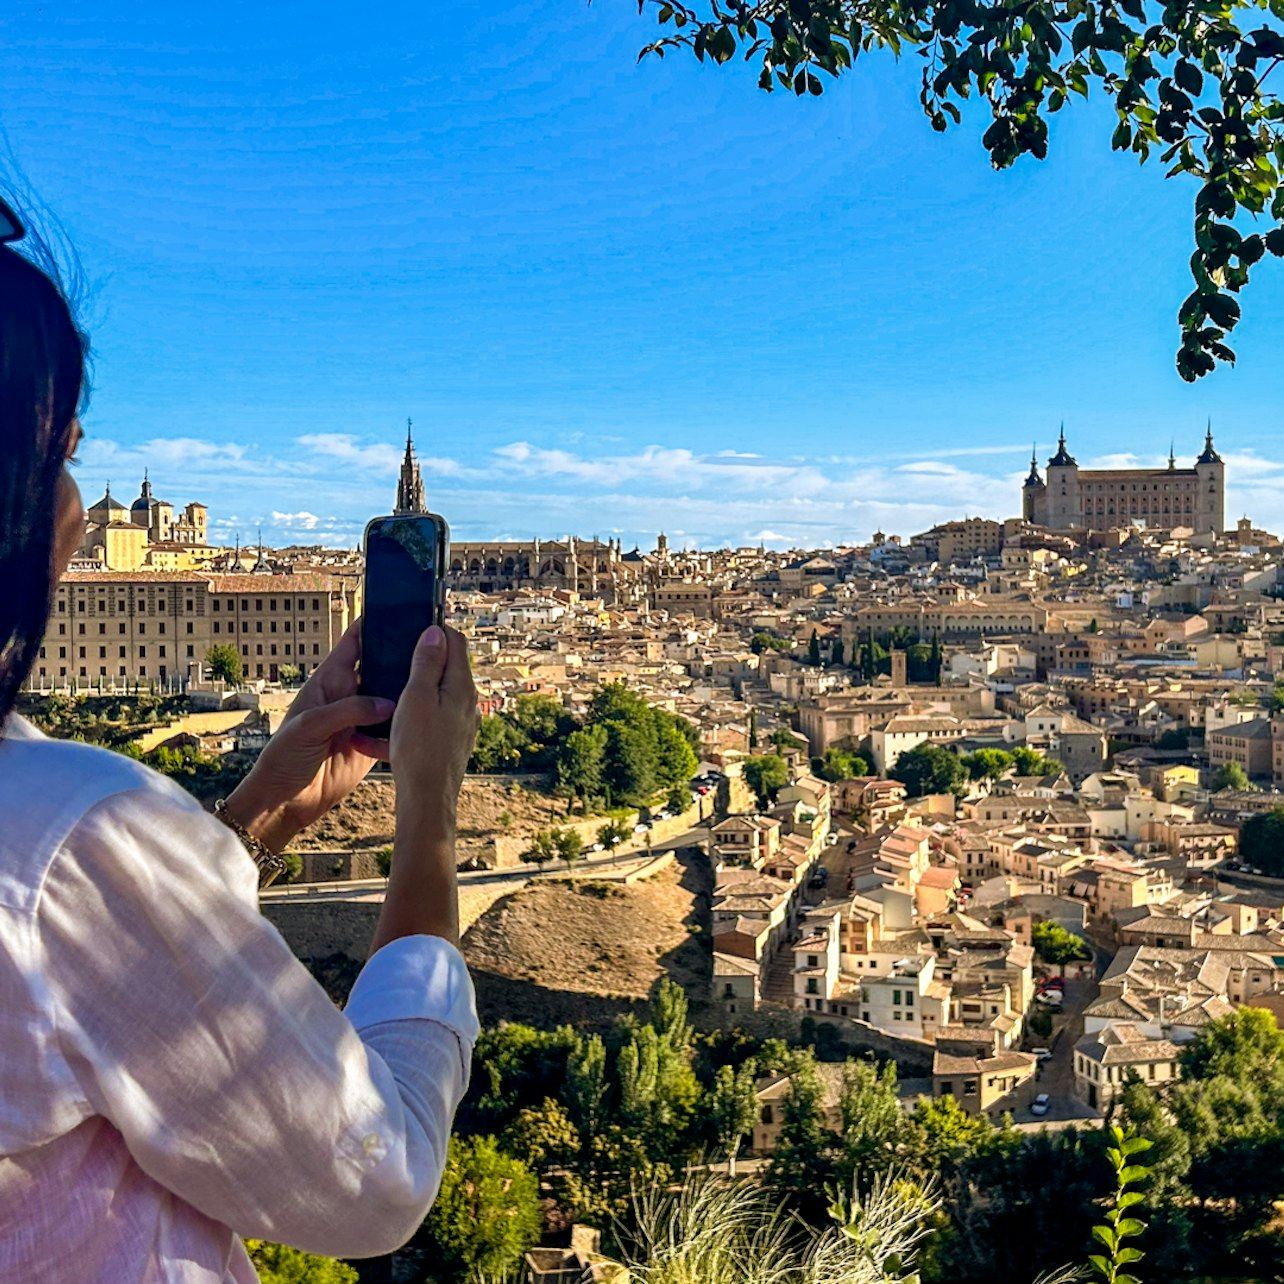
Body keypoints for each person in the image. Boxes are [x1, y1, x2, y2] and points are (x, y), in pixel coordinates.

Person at [0, 194, 482, 1281]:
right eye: (63, 453)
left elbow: (94, 977)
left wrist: (258, 815)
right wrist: (430, 810)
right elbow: (382, 1173)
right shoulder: (68, 835)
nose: (78, 509)